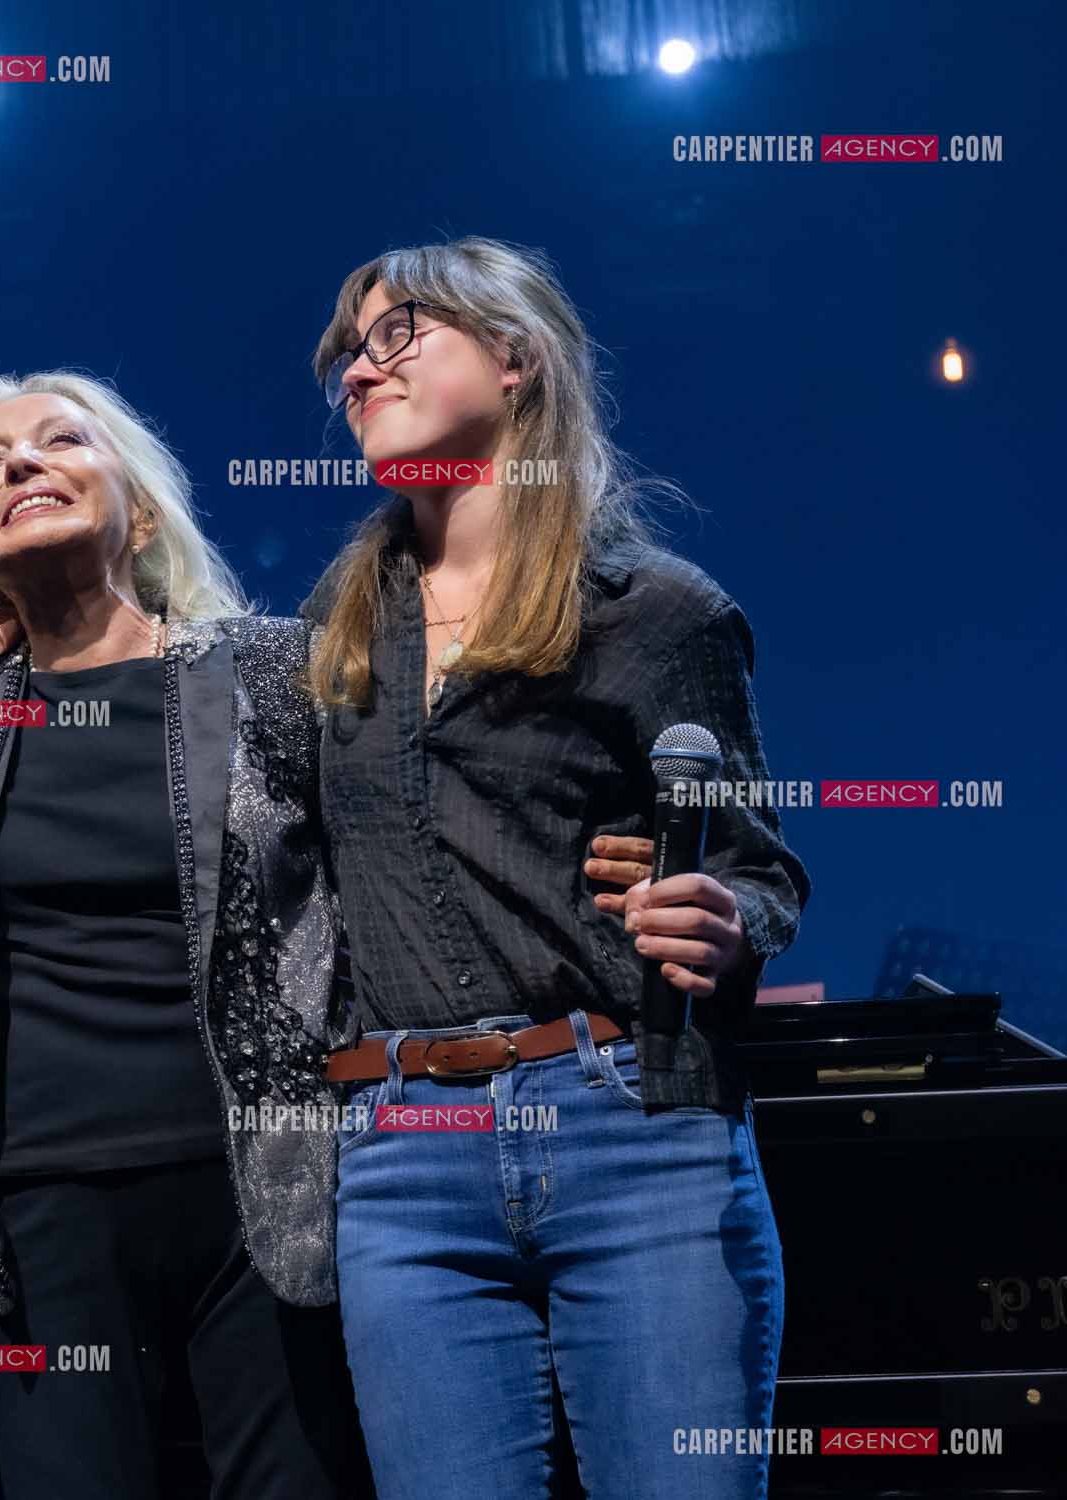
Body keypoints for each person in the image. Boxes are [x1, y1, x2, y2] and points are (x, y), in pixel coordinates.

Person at [0, 372, 651, 1499]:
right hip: (41, 1206)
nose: (21, 463)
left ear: (143, 514)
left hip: (273, 1185)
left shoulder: (267, 669)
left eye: (61, 440)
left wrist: (620, 850)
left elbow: (423, 827)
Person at [302, 236, 812, 1499]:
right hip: (401, 1155)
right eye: (347, 357)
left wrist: (724, 917)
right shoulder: (336, 631)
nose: (362, 372)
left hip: (630, 1132)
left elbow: (762, 875)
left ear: (517, 357)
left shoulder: (656, 610)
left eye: (398, 332)